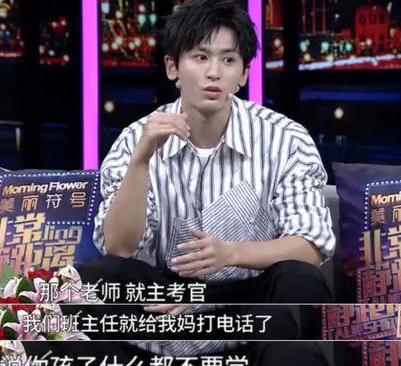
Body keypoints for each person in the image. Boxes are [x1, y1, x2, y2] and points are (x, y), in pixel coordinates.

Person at [89, 0, 335, 307]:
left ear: (244, 74)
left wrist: (230, 253)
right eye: (201, 57)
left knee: (300, 279)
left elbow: (311, 244)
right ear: (172, 67)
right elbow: (118, 249)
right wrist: (140, 161)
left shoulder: (285, 138)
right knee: (99, 277)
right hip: (166, 294)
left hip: (252, 300)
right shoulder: (136, 139)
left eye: (228, 60)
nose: (214, 73)